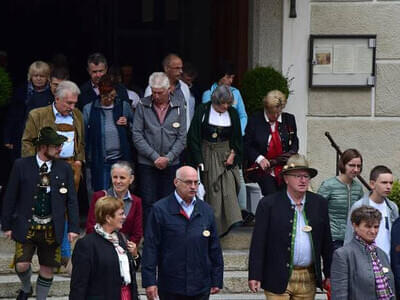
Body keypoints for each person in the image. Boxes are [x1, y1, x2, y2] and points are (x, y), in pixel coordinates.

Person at [1, 127, 80, 300]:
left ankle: (41, 299)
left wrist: (73, 228)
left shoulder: (64, 168)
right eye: (56, 145)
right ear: (43, 147)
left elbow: (72, 200)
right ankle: (26, 287)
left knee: (47, 268)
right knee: (21, 265)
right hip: (26, 224)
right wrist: (6, 225)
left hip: (52, 226)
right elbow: (10, 196)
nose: (60, 149)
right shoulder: (21, 165)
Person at [248, 154, 332, 300]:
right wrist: (255, 274)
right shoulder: (269, 204)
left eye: (306, 176)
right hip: (277, 275)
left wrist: (330, 274)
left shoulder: (319, 203)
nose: (303, 180)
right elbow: (258, 242)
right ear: (286, 178)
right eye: (297, 176)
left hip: (308, 277)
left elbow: (327, 242)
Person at [142, 166, 223, 300]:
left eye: (196, 182)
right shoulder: (160, 210)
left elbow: (214, 248)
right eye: (188, 182)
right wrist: (149, 281)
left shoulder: (206, 210)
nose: (193, 187)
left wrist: (217, 278)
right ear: (176, 182)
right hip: (171, 285)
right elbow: (151, 247)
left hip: (200, 285)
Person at [187, 84, 243, 236]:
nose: (225, 106)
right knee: (212, 191)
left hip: (226, 155)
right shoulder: (203, 110)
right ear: (215, 101)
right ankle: (212, 227)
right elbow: (193, 136)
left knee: (229, 188)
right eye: (222, 103)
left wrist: (233, 154)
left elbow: (237, 137)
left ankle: (228, 223)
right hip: (207, 154)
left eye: (227, 103)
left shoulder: (232, 113)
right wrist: (198, 159)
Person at [132, 72, 186, 226]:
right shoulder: (143, 105)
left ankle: (167, 236)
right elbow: (137, 135)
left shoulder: (179, 106)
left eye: (159, 92)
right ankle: (150, 237)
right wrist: (154, 156)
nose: (155, 96)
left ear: (169, 89)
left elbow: (182, 137)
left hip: (172, 163)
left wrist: (168, 158)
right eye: (153, 92)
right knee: (148, 201)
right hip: (147, 163)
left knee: (170, 200)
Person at [202, 62, 250, 222]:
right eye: (228, 77)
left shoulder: (236, 93)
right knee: (215, 180)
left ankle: (241, 212)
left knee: (238, 177)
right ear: (220, 77)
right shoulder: (208, 93)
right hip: (215, 144)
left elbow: (243, 115)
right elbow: (205, 119)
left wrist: (238, 132)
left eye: (232, 77)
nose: (231, 80)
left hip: (233, 141)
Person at [70, 196, 140, 300]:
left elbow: (130, 271)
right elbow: (79, 285)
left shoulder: (121, 239)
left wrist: (135, 255)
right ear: (108, 218)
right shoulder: (86, 245)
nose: (124, 217)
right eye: (120, 214)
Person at [21, 80, 84, 191]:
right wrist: (33, 167)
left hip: (71, 167)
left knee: (69, 203)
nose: (72, 107)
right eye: (69, 103)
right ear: (57, 98)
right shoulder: (37, 115)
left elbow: (81, 141)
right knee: (46, 201)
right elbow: (27, 142)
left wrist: (78, 161)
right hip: (46, 167)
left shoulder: (77, 114)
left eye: (75, 103)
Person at [331, 206, 395, 300]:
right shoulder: (343, 254)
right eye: (368, 226)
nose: (373, 231)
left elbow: (392, 291)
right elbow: (339, 295)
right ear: (355, 226)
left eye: (376, 227)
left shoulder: (382, 254)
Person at [83, 74, 133, 192]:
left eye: (112, 95)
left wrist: (127, 123)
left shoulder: (123, 106)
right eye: (105, 96)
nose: (109, 99)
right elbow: (84, 136)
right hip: (100, 160)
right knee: (102, 194)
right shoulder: (89, 109)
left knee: (121, 193)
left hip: (121, 159)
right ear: (99, 93)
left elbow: (135, 128)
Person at [244, 89, 299, 196]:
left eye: (279, 112)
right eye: (272, 113)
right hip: (262, 169)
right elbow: (246, 145)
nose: (275, 116)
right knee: (271, 194)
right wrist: (259, 158)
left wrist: (291, 154)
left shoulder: (289, 119)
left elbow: (295, 141)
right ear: (266, 108)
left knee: (290, 192)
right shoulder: (254, 120)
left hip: (284, 167)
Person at [345, 165, 399, 259]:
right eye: (384, 183)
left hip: (388, 262)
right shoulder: (359, 206)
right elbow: (349, 236)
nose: (388, 186)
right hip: (364, 261)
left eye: (391, 183)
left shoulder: (392, 207)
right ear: (372, 184)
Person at [3, 61, 53, 158]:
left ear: (47, 77)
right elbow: (12, 115)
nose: (38, 78)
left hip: (45, 140)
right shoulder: (21, 92)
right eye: (35, 75)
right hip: (21, 137)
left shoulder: (52, 94)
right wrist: (7, 138)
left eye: (42, 76)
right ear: (30, 76)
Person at [86, 161, 143, 245]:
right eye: (115, 177)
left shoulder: (136, 201)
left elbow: (137, 232)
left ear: (131, 179)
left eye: (122, 178)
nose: (118, 181)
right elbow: (91, 227)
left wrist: (126, 248)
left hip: (125, 248)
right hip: (101, 246)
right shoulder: (100, 197)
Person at [318, 149, 364, 250]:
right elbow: (317, 210)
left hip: (353, 239)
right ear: (343, 165)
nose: (356, 169)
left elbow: (362, 212)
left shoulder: (358, 188)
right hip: (333, 239)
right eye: (351, 165)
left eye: (358, 166)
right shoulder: (328, 185)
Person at [144, 53, 194, 130]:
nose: (181, 71)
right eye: (177, 68)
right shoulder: (154, 87)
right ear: (166, 68)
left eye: (181, 68)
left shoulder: (184, 87)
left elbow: (187, 114)